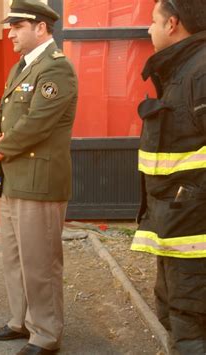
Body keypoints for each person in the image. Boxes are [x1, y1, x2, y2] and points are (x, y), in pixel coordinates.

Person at [0, 1, 78, 354]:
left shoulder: (56, 68)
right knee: (16, 257)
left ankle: (46, 334)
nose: (11, 33)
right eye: (11, 26)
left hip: (40, 180)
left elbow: (37, 123)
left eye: (17, 26)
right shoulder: (22, 67)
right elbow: (1, 109)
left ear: (40, 27)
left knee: (40, 262)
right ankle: (20, 321)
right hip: (15, 177)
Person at [130, 1, 206, 353]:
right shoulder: (183, 69)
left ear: (172, 24)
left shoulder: (200, 72)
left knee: (190, 329)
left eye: (152, 21)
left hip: (194, 231)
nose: (148, 29)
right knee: (174, 316)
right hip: (177, 227)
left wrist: (189, 197)